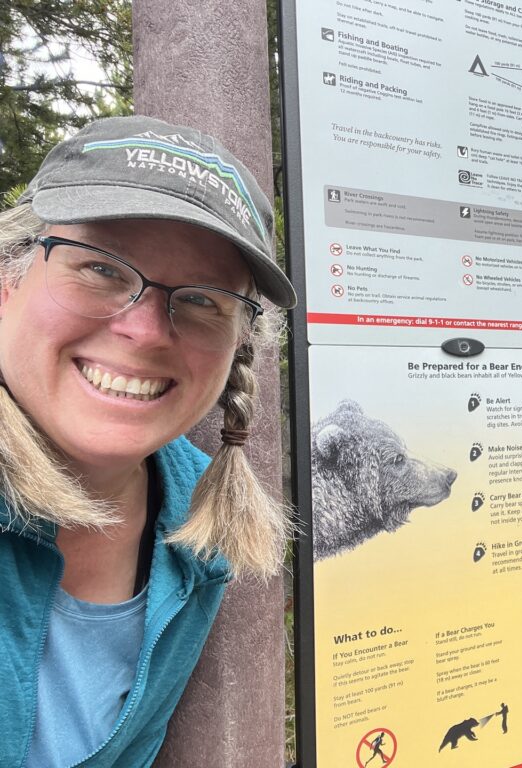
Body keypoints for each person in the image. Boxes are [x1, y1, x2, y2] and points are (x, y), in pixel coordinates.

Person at [0, 115, 297, 767]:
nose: (145, 329)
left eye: (202, 300)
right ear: (8, 280)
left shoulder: (201, 524)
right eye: (101, 268)